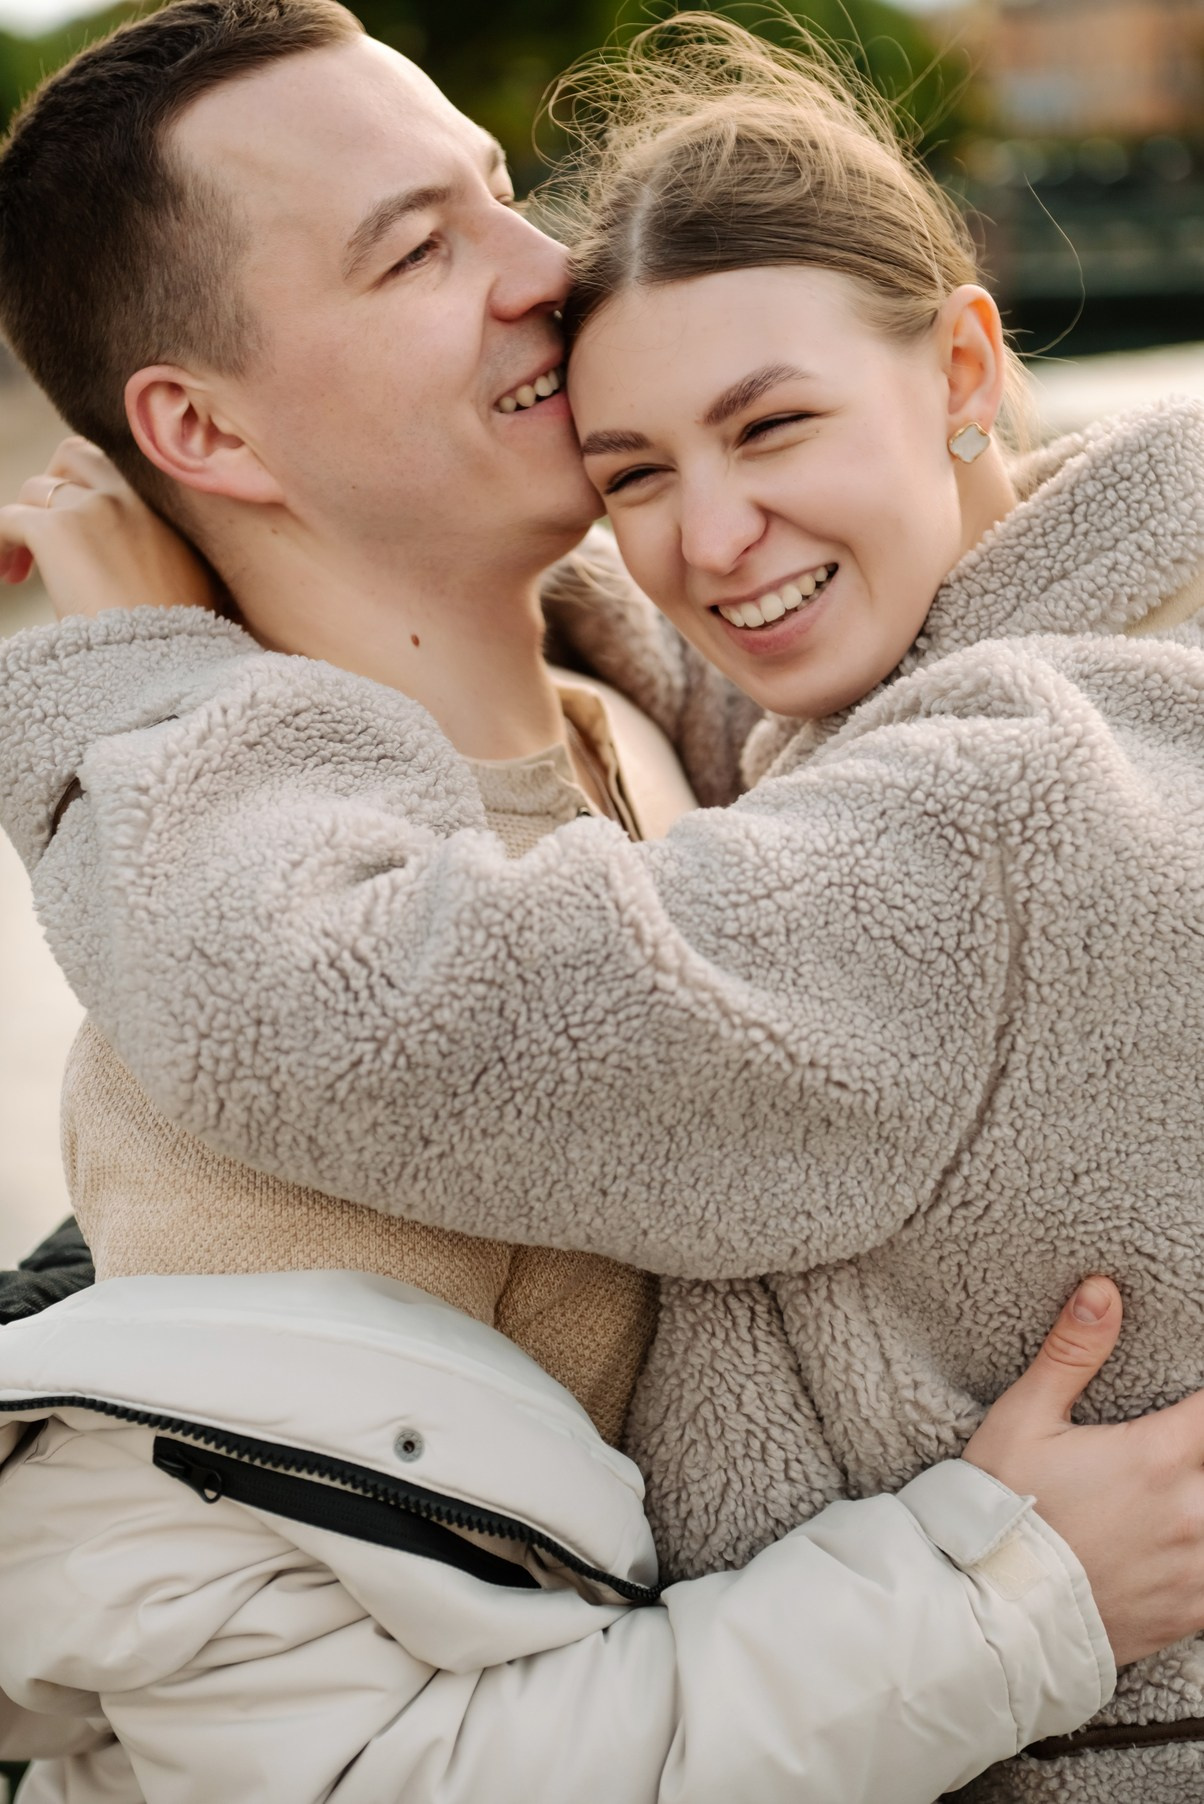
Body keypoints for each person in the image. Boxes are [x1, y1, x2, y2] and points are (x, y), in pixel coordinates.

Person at [1, 5, 1203, 1799]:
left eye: (499, 194)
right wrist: (1005, 1601)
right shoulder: (231, 1035)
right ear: (200, 427)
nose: (545, 267)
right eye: (418, 248)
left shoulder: (683, 738)